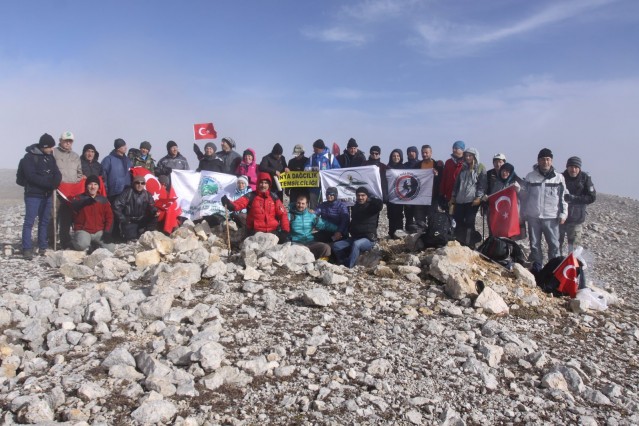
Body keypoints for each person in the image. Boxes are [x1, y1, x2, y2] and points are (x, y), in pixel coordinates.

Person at [520, 148, 568, 272]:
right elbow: (524, 197)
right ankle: (537, 269)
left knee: (553, 245)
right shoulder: (530, 176)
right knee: (535, 244)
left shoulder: (559, 178)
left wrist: (563, 214)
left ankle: (554, 270)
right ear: (538, 161)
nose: (545, 162)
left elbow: (563, 197)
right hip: (533, 217)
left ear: (551, 161)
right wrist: (523, 212)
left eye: (547, 159)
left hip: (551, 217)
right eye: (542, 159)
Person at [20, 134, 62, 259]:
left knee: (44, 221)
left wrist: (56, 182)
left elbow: (57, 172)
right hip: (33, 195)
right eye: (49, 147)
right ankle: (27, 249)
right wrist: (49, 184)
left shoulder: (50, 158)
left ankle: (42, 246)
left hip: (47, 195)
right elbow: (31, 176)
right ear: (44, 146)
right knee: (29, 221)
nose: (51, 149)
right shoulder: (29, 158)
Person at [221, 172, 290, 241]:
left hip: (273, 232)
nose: (263, 185)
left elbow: (283, 214)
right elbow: (237, 205)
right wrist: (229, 204)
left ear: (269, 184)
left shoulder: (274, 197)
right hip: (255, 233)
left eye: (266, 183)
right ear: (257, 184)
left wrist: (285, 231)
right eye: (261, 182)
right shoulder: (251, 196)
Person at [332, 187, 383, 268]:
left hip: (368, 239)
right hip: (355, 237)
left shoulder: (372, 207)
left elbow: (379, 204)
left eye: (363, 195)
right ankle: (344, 262)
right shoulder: (355, 207)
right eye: (358, 195)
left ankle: (350, 267)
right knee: (336, 246)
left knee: (357, 244)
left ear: (367, 196)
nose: (360, 197)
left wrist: (371, 199)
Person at [50, 131, 83, 249]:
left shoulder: (75, 156)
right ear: (60, 141)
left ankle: (64, 240)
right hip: (56, 190)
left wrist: (75, 185)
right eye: (66, 141)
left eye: (70, 141)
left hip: (70, 192)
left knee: (66, 217)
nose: (68, 143)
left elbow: (79, 173)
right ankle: (51, 240)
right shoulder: (53, 153)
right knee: (53, 215)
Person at [450, 147, 486, 247]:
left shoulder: (480, 168)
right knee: (459, 221)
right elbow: (457, 184)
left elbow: (482, 184)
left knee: (470, 222)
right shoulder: (463, 168)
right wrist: (453, 196)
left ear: (474, 156)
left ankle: (470, 243)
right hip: (460, 200)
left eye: (470, 155)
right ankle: (460, 241)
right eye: (466, 156)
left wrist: (478, 197)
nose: (468, 157)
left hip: (472, 200)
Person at [69, 175, 115, 252]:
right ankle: (73, 242)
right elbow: (74, 207)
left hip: (99, 231)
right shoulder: (79, 198)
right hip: (84, 230)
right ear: (86, 186)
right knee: (81, 246)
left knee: (111, 248)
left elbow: (109, 217)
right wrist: (83, 202)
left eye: (95, 184)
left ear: (98, 187)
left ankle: (94, 245)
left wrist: (107, 231)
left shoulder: (103, 200)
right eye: (90, 184)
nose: (93, 187)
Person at [560, 156, 596, 255]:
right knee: (556, 246)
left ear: (579, 168)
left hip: (576, 220)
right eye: (571, 167)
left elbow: (591, 197)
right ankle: (555, 267)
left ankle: (573, 269)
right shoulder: (560, 177)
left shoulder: (585, 178)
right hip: (560, 219)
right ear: (567, 167)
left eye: (576, 167)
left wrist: (573, 198)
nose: (573, 169)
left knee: (574, 249)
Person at [288, 193, 337, 260]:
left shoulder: (311, 215)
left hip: (310, 242)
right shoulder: (290, 216)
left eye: (303, 203)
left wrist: (339, 230)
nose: (300, 205)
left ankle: (321, 264)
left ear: (306, 204)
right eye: (298, 203)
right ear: (295, 203)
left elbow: (324, 224)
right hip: (296, 244)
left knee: (326, 247)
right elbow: (283, 228)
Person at [113, 175, 159, 241]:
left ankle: (148, 232)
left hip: (142, 220)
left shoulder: (147, 194)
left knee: (155, 216)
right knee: (132, 241)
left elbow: (152, 206)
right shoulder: (127, 193)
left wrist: (155, 211)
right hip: (130, 221)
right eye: (137, 183)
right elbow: (116, 206)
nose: (140, 185)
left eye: (142, 183)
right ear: (134, 183)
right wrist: (123, 219)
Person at [489, 163, 526, 238]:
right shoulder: (497, 182)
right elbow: (493, 195)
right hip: (500, 214)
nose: (505, 173)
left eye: (507, 171)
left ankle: (512, 248)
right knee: (501, 234)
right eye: (503, 171)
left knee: (512, 234)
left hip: (514, 213)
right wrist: (487, 199)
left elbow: (525, 196)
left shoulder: (517, 182)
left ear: (511, 173)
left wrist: (518, 190)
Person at [304, 139, 340, 209]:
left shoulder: (330, 157)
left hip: (327, 187)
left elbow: (337, 170)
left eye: (315, 149)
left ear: (321, 149)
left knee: (326, 207)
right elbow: (305, 168)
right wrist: (314, 170)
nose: (314, 150)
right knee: (313, 207)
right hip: (314, 188)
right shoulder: (312, 158)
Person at [414, 144, 444, 227]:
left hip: (433, 196)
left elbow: (442, 180)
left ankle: (431, 236)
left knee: (432, 218)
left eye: (426, 153)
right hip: (420, 196)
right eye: (423, 153)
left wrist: (437, 175)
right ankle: (420, 236)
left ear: (431, 153)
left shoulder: (438, 165)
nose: (424, 155)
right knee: (419, 219)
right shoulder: (417, 165)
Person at [102, 138, 132, 203]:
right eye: (123, 146)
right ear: (118, 148)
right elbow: (103, 177)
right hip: (114, 193)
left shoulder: (128, 161)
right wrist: (106, 191)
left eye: (125, 145)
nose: (126, 147)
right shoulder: (108, 160)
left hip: (127, 193)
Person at [440, 140, 466, 210]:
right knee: (449, 217)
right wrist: (442, 193)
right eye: (453, 148)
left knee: (460, 219)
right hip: (449, 195)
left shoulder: (466, 163)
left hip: (461, 196)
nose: (454, 150)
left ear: (462, 150)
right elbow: (444, 178)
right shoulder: (448, 162)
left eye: (456, 148)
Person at [386, 149, 405, 239]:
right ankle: (391, 232)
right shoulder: (387, 167)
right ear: (391, 157)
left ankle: (399, 233)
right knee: (391, 214)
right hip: (390, 195)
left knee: (399, 214)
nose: (396, 158)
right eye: (394, 156)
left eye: (398, 156)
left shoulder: (404, 167)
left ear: (400, 157)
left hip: (401, 195)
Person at [403, 146, 421, 229]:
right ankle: (408, 229)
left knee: (419, 214)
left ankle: (420, 231)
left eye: (413, 151)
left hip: (419, 193)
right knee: (408, 214)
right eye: (409, 152)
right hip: (408, 193)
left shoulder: (421, 164)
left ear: (416, 153)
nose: (411, 153)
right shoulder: (405, 165)